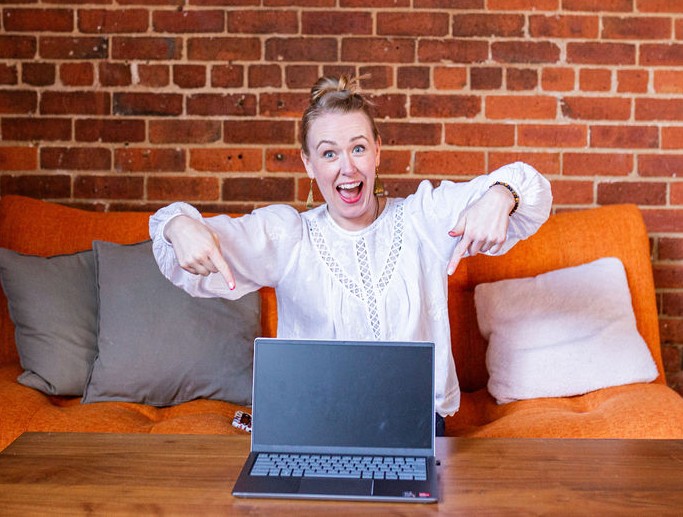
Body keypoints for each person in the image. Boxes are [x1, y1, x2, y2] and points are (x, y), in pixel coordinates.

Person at [149, 75, 552, 436]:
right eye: (328, 153)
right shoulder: (289, 236)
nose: (347, 168)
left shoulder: (423, 220)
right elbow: (189, 239)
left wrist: (502, 196)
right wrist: (178, 226)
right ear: (308, 164)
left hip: (413, 426)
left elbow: (529, 187)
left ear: (377, 151)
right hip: (312, 425)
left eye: (358, 148)